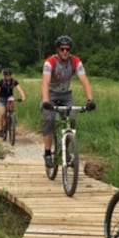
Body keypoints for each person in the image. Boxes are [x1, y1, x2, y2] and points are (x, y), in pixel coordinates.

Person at [41, 35, 95, 167]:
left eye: (67, 49)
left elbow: (84, 81)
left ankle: (65, 150)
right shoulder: (50, 63)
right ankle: (48, 153)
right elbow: (45, 83)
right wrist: (46, 101)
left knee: (72, 119)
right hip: (51, 95)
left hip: (66, 95)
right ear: (57, 50)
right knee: (49, 120)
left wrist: (90, 100)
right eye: (62, 49)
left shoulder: (75, 62)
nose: (65, 52)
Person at [0, 67, 27, 138]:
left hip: (9, 97)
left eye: (9, 74)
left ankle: (12, 118)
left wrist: (23, 96)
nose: (8, 76)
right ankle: (1, 129)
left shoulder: (14, 81)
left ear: (11, 75)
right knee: (2, 114)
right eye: (6, 75)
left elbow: (20, 90)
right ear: (4, 75)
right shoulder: (1, 82)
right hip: (2, 98)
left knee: (12, 104)